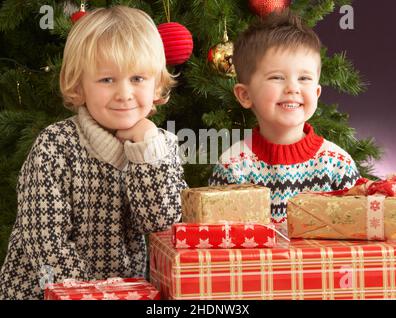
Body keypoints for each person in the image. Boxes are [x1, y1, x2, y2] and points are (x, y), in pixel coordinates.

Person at [0, 6, 187, 299]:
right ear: (79, 86)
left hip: (126, 292)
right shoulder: (55, 147)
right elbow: (47, 244)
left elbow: (162, 224)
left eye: (137, 79)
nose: (124, 93)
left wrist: (146, 152)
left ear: (156, 86)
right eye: (107, 80)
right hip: (46, 292)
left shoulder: (160, 148)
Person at [209, 10, 360, 225]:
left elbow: (358, 231)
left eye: (304, 78)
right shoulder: (233, 167)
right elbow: (219, 237)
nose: (293, 88)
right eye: (277, 77)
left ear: (316, 93)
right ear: (245, 95)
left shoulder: (336, 165)